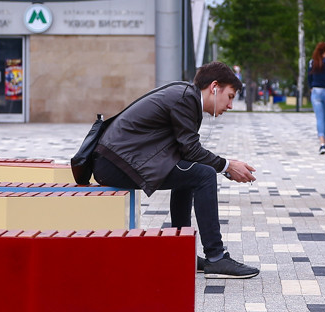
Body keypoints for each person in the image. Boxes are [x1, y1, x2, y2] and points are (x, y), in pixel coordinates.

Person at [93, 61, 260, 279]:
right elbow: (191, 150)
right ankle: (216, 257)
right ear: (214, 87)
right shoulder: (186, 99)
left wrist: (224, 165)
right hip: (116, 164)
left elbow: (186, 153)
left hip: (116, 160)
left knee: (194, 172)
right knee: (204, 175)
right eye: (229, 97)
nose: (230, 106)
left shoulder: (186, 95)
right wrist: (227, 166)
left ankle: (182, 253)